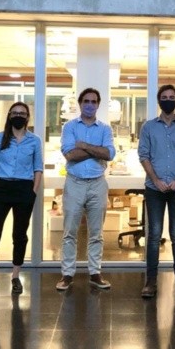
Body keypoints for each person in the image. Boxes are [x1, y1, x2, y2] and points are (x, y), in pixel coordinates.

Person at [0, 102, 42, 295]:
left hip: (24, 189)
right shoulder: (0, 138)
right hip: (1, 188)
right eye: (15, 113)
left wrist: (33, 192)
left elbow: (38, 168)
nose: (18, 116)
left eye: (22, 113)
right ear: (9, 116)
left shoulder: (34, 140)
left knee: (19, 235)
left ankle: (15, 276)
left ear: (27, 117)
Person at [138, 84, 175, 298]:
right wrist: (156, 180)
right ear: (159, 100)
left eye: (172, 97)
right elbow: (143, 155)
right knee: (153, 235)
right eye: (164, 97)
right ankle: (150, 281)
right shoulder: (148, 127)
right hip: (154, 189)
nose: (168, 100)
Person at [55, 88, 115, 291]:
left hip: (98, 183)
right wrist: (96, 150)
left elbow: (109, 154)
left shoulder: (105, 129)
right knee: (69, 232)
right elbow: (70, 155)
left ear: (98, 104)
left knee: (96, 233)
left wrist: (84, 146)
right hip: (75, 183)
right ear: (80, 104)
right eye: (86, 101)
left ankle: (95, 273)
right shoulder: (69, 127)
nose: (90, 105)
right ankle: (67, 274)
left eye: (94, 101)